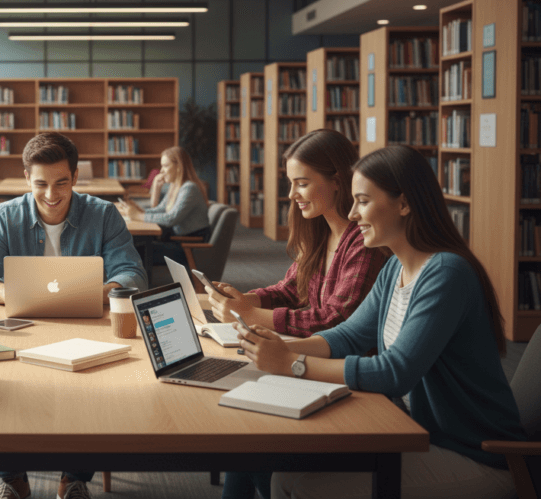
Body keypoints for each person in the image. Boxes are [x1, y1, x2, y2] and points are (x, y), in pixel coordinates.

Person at [238, 145, 525, 499]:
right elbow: (347, 336)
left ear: (403, 204)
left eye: (362, 201)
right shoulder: (394, 269)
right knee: (271, 455)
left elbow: (394, 371)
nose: (353, 214)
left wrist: (291, 364)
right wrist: (278, 347)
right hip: (413, 430)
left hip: (476, 455)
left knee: (292, 483)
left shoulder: (446, 273)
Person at [205, 129, 389, 499]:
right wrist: (247, 298)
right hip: (311, 357)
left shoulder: (364, 243)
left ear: (338, 182)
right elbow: (290, 289)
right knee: (247, 430)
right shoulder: (320, 231)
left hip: (341, 373)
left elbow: (334, 318)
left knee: (252, 441)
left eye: (302, 183)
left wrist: (251, 317)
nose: (292, 195)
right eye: (290, 183)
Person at [0, 132, 147, 499]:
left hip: (87, 325)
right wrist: (12, 293)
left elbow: (133, 274)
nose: (51, 195)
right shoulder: (5, 215)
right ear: (27, 179)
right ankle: (13, 479)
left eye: (62, 183)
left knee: (94, 385)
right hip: (22, 325)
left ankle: (73, 478)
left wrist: (95, 293)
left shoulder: (103, 214)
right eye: (41, 184)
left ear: (75, 177)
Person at [116, 146, 211, 266]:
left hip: (186, 248)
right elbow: (161, 209)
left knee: (133, 250)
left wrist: (139, 216)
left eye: (165, 165)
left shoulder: (189, 188)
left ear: (179, 167)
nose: (161, 171)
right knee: (131, 245)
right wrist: (139, 211)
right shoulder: (175, 186)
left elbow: (171, 218)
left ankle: (140, 284)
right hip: (175, 240)